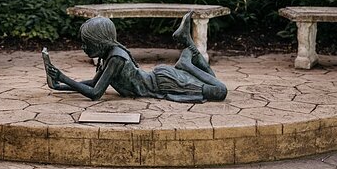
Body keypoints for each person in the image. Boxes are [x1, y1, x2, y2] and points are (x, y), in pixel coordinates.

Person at [43, 12, 227, 103]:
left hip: (165, 82)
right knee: (214, 83)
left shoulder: (116, 58)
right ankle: (187, 49)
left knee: (220, 91)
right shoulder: (109, 55)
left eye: (87, 43)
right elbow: (92, 83)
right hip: (161, 77)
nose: (83, 48)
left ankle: (186, 60)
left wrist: (63, 77)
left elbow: (95, 94)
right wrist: (59, 86)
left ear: (101, 42)